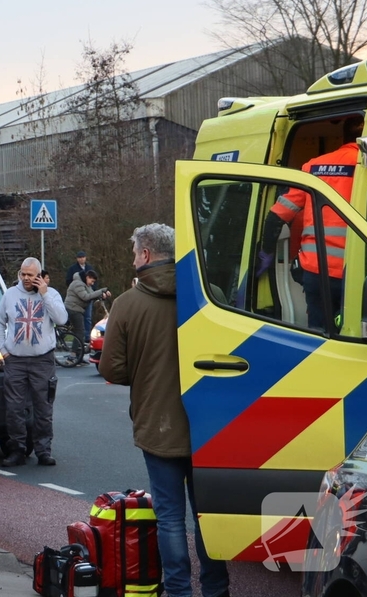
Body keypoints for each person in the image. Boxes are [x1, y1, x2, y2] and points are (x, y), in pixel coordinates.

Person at [100, 224, 230, 597]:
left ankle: (178, 591)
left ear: (144, 255)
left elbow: (111, 368)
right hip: (211, 426)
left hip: (157, 426)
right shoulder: (211, 296)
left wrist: (141, 374)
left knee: (170, 517)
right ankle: (217, 589)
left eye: (133, 253)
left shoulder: (126, 304)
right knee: (208, 517)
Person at [261, 115, 364, 330]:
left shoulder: (313, 167)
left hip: (316, 273)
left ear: (343, 136)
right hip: (358, 272)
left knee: (319, 335)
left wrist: (265, 253)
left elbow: (278, 215)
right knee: (357, 336)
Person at [0, 256, 68, 467]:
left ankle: (44, 450)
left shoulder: (51, 294)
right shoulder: (9, 295)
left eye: (31, 275)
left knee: (43, 408)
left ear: (39, 276)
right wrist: (3, 350)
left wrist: (44, 294)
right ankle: (17, 449)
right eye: (23, 274)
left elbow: (62, 319)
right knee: (14, 408)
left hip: (42, 360)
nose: (26, 278)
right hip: (15, 360)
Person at [65, 270, 110, 365]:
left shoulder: (86, 285)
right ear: (87, 277)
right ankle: (72, 356)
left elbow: (92, 295)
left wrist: (102, 296)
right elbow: (86, 297)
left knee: (80, 331)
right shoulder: (78, 284)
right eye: (92, 281)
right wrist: (101, 290)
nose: (92, 283)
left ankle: (78, 356)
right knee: (80, 331)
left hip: (78, 309)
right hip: (73, 309)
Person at [65, 250, 95, 337]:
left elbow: (95, 281)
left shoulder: (89, 268)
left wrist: (93, 291)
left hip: (88, 295)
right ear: (77, 259)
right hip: (78, 297)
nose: (82, 259)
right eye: (80, 258)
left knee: (88, 318)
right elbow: (68, 280)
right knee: (78, 319)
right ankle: (78, 337)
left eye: (83, 257)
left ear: (85, 258)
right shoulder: (72, 269)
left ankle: (87, 337)